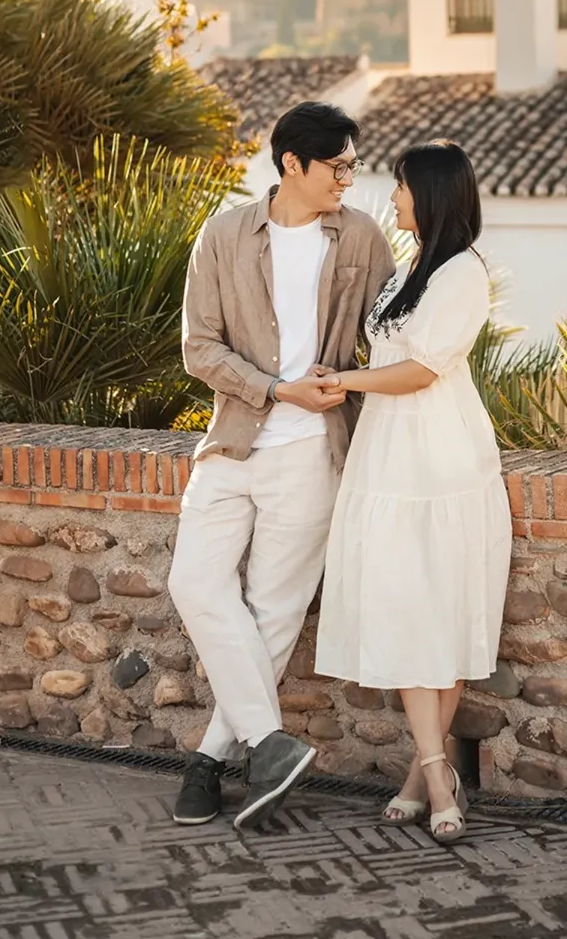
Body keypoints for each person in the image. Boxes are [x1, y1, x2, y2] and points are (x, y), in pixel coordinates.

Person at [168, 101, 395, 831]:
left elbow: (390, 333)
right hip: (235, 439)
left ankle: (208, 763)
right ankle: (267, 742)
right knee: (194, 582)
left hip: (314, 451)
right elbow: (198, 348)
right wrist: (273, 389)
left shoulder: (360, 235)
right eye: (338, 166)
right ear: (293, 164)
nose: (348, 180)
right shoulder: (224, 234)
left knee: (273, 611)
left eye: (354, 166)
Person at [314, 139, 512, 845]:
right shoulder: (408, 273)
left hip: (441, 463)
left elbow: (422, 370)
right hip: (387, 460)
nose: (391, 198)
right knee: (407, 613)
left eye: (398, 187)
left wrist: (343, 381)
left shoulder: (462, 274)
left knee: (441, 621)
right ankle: (435, 777)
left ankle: (425, 777)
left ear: (428, 193)